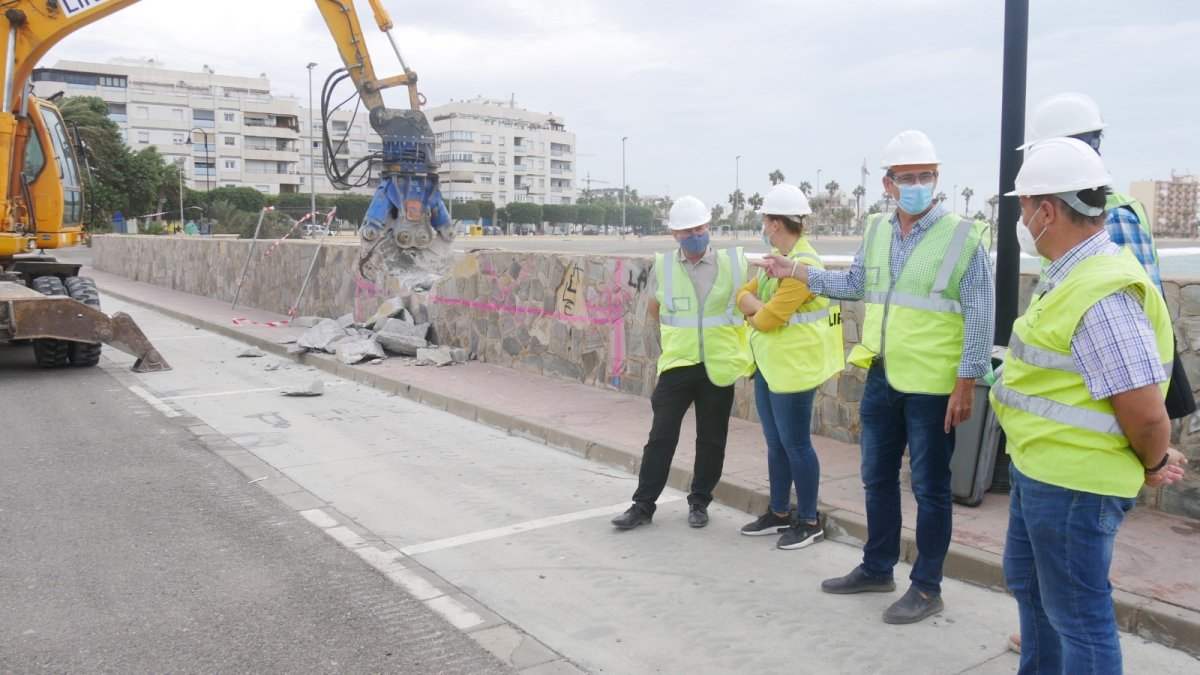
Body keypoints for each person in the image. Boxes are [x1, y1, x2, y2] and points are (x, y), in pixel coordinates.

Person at [754, 130, 995, 624]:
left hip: (933, 387)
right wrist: (794, 271)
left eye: (925, 176)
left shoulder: (962, 236)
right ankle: (877, 567)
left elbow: (981, 314)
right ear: (888, 183)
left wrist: (967, 381)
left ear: (937, 178)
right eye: (906, 177)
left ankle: (927, 587)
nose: (917, 185)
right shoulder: (878, 230)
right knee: (877, 479)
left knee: (930, 488)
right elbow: (853, 284)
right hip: (883, 377)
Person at [1005, 91, 1197, 656]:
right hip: (1042, 471)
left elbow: (1143, 410)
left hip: (1074, 486)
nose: (1020, 217)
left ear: (1046, 211)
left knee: (1079, 618)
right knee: (1035, 594)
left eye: (1023, 206)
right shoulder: (1068, 274)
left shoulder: (1100, 288)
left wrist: (1156, 458)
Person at [611, 196, 753, 530]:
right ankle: (643, 505)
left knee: (711, 439)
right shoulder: (664, 266)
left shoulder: (734, 263)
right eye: (688, 230)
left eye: (701, 227)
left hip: (718, 364)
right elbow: (655, 309)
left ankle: (700, 502)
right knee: (661, 436)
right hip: (677, 365)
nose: (696, 234)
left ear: (710, 227)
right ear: (675, 234)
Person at [736, 184, 844, 549]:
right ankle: (779, 513)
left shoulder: (804, 267)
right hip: (771, 366)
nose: (763, 225)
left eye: (765, 219)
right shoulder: (775, 259)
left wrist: (754, 313)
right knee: (775, 442)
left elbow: (767, 320)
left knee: (796, 444)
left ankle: (809, 520)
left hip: (795, 370)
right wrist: (756, 308)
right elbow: (743, 294)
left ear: (776, 222)